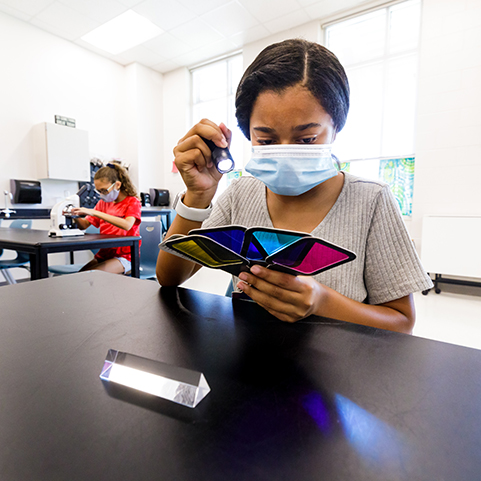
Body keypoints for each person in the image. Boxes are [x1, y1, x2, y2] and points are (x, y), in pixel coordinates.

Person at [156, 38, 433, 333]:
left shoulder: (371, 200)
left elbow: (402, 322)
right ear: (247, 133)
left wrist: (321, 301)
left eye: (306, 139)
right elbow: (169, 277)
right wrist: (198, 196)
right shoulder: (240, 193)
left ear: (336, 127)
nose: (286, 152)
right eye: (266, 139)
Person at [71, 162, 141, 274]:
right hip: (104, 255)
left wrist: (94, 212)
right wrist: (74, 215)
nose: (102, 195)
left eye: (104, 190)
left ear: (117, 185)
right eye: (99, 191)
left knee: (91, 276)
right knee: (79, 277)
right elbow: (84, 225)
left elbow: (127, 225)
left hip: (126, 257)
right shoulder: (102, 203)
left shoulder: (132, 202)